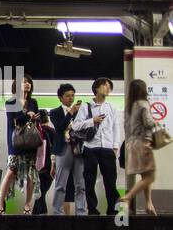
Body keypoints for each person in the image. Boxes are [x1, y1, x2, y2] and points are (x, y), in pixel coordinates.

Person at [0, 82, 43, 216]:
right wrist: (28, 115)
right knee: (11, 172)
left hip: (30, 142)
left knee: (31, 174)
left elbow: (36, 120)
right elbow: (12, 120)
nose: (27, 84)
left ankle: (27, 205)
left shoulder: (33, 102)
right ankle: (0, 202)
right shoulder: (11, 102)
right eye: (24, 82)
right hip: (16, 142)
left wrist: (33, 117)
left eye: (29, 82)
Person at [81, 77, 121, 216]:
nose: (108, 87)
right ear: (96, 88)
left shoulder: (111, 108)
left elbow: (116, 128)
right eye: (105, 85)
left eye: (109, 86)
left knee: (111, 181)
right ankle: (92, 209)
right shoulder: (85, 107)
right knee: (89, 181)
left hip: (107, 147)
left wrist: (116, 146)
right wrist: (92, 120)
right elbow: (76, 125)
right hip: (90, 147)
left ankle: (113, 209)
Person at [118, 79, 158, 216]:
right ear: (143, 89)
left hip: (131, 144)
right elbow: (148, 123)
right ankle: (128, 197)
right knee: (150, 176)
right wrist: (156, 122)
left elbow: (125, 127)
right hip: (142, 143)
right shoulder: (143, 104)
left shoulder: (129, 106)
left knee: (145, 174)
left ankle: (149, 204)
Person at [48, 84, 87, 216]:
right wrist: (70, 113)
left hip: (78, 149)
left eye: (72, 95)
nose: (71, 98)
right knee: (60, 184)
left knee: (80, 184)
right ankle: (57, 212)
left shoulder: (81, 112)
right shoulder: (54, 112)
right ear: (60, 98)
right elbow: (59, 128)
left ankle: (81, 212)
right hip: (63, 149)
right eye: (67, 96)